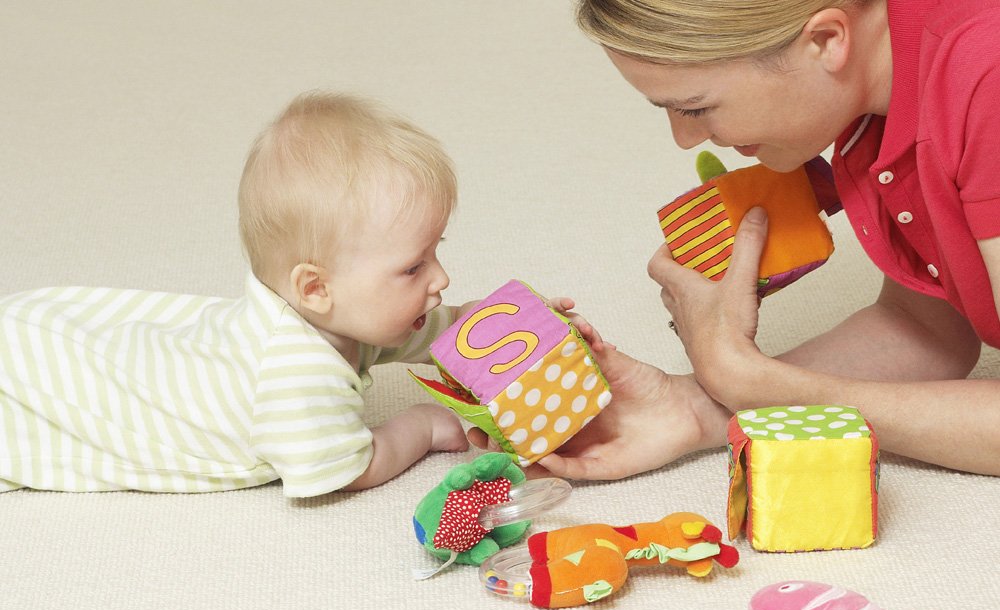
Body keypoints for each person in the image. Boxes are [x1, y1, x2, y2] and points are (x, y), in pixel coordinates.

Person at [483, 0, 1000, 478]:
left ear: (826, 40)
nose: (685, 138)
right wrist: (694, 406)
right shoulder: (880, 86)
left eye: (695, 107)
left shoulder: (986, 81)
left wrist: (757, 386)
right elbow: (927, 328)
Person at [0, 91, 599, 496]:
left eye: (434, 252)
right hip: (27, 383)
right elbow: (339, 469)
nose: (440, 279)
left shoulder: (345, 312)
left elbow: (442, 330)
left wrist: (520, 324)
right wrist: (422, 426)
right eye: (414, 267)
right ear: (315, 288)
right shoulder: (295, 372)